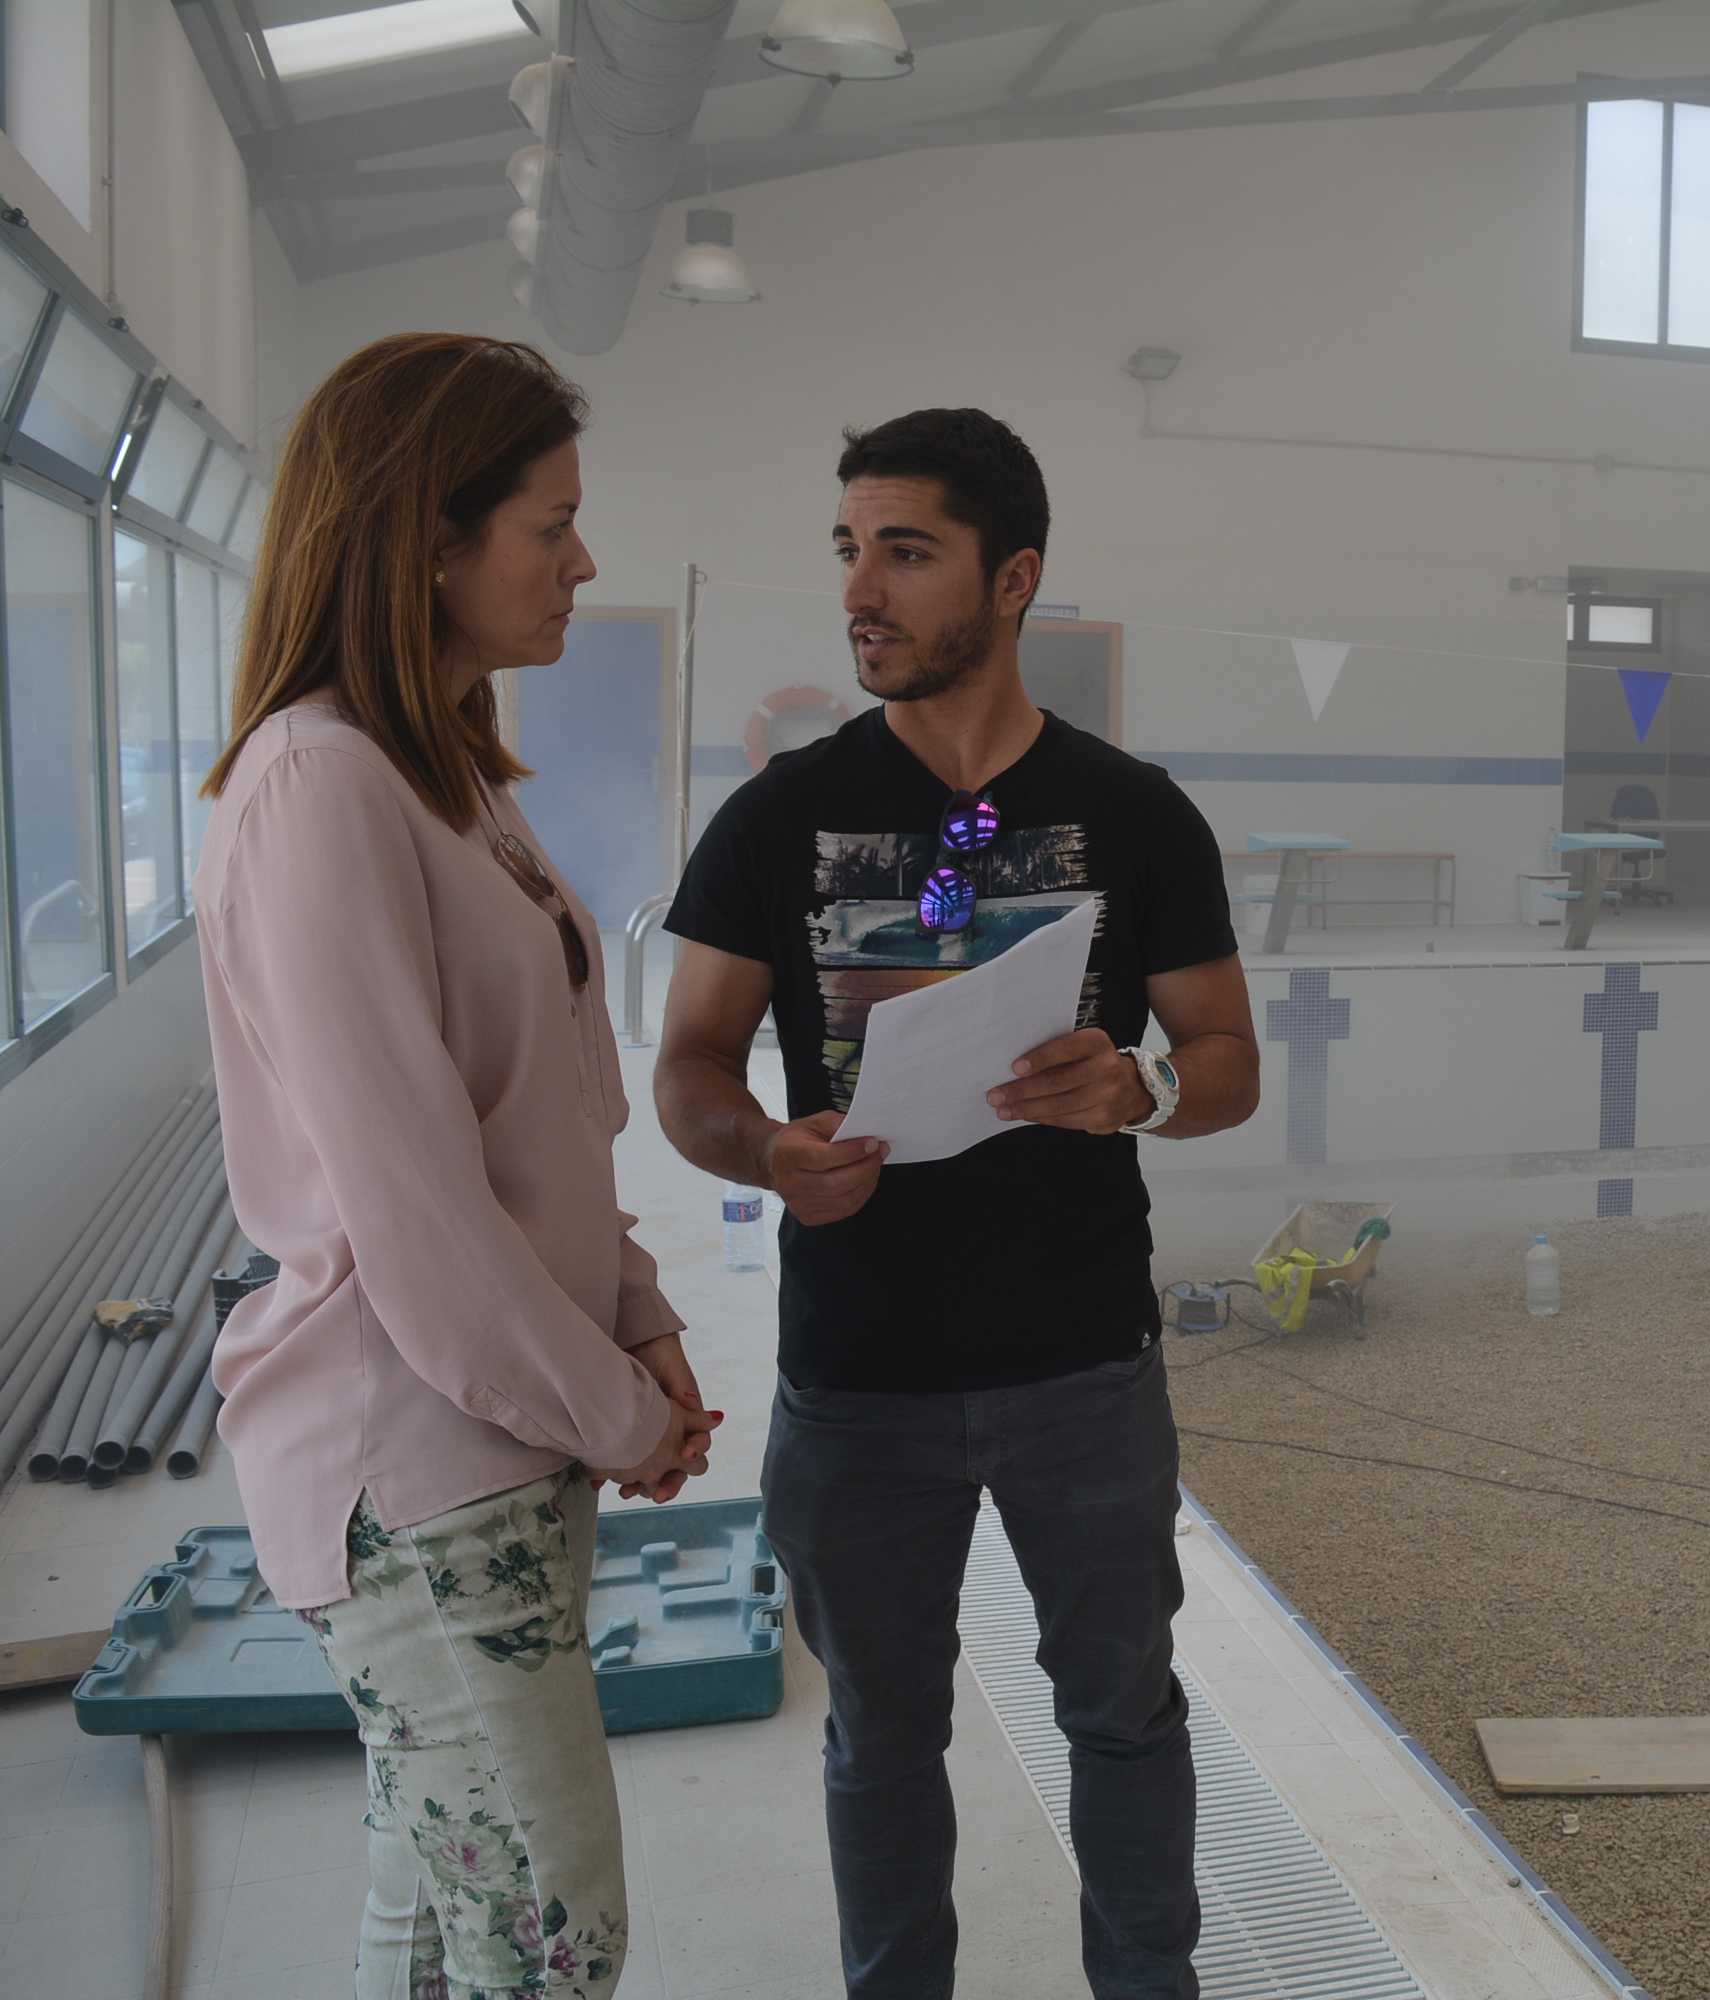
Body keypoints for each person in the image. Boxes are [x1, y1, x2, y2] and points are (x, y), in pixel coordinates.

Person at [653, 408, 1256, 2000]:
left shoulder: (1135, 815)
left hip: (1084, 1371)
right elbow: (691, 1073)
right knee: (880, 1741)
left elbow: (1227, 1055)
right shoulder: (777, 820)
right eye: (849, 549)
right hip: (858, 1380)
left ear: (1014, 579)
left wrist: (1151, 1090)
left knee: (1125, 1723)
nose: (864, 587)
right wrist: (769, 1151)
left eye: (906, 552)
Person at [195, 333, 720, 2000]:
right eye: (549, 524)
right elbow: (416, 1220)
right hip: (422, 1454)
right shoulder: (317, 785)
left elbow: (550, 1107)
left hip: (510, 1422)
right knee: (551, 1933)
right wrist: (623, 1415)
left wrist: (632, 1312)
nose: (582, 562)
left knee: (444, 1892)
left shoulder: (451, 780)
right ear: (429, 535)